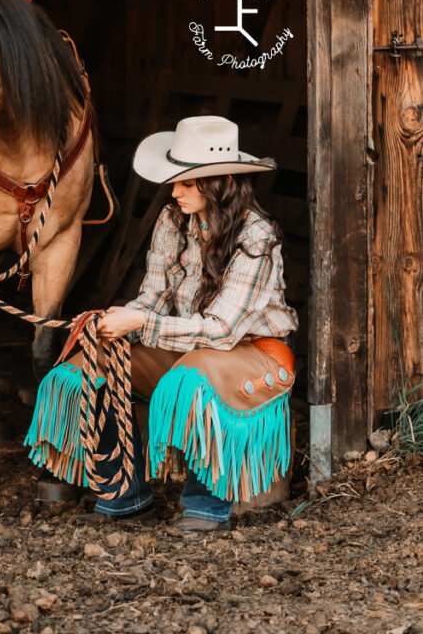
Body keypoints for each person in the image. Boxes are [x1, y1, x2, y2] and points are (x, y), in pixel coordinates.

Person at [25, 116, 299, 532]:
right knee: (86, 367)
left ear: (221, 181)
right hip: (191, 347)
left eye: (187, 183)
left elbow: (222, 330)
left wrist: (142, 321)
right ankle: (124, 496)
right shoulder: (173, 220)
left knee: (191, 378)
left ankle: (206, 508)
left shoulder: (256, 238)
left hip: (252, 352)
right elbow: (152, 295)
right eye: (176, 180)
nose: (174, 191)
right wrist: (117, 323)